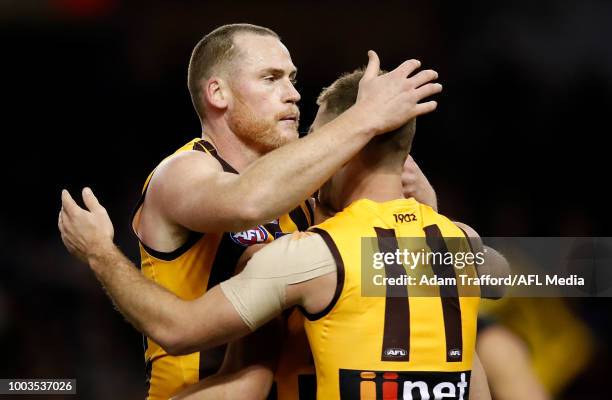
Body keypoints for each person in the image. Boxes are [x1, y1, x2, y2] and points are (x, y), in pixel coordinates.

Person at [59, 69, 505, 399]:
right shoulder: (460, 244)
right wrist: (430, 212)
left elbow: (178, 329)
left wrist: (99, 252)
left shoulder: (313, 257)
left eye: (320, 142)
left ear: (346, 148)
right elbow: (549, 274)